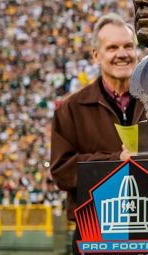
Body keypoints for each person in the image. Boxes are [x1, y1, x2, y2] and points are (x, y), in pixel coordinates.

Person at [50, 13, 143, 218]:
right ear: (96, 56)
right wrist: (116, 161)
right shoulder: (71, 109)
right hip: (96, 226)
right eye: (112, 48)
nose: (122, 54)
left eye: (128, 46)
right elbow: (62, 172)